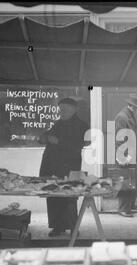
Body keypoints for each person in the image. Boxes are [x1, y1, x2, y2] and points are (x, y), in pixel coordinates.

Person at [39, 97, 89, 237]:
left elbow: (79, 145)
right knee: (54, 196)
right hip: (52, 166)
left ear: (74, 110)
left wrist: (59, 141)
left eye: (64, 110)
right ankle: (57, 227)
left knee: (70, 197)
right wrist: (43, 138)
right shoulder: (58, 124)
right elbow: (47, 136)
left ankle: (73, 227)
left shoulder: (83, 126)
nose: (61, 112)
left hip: (70, 166)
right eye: (60, 109)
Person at [114, 93, 137, 218]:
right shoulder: (122, 117)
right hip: (125, 154)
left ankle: (130, 205)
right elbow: (119, 137)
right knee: (125, 182)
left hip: (131, 153)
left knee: (131, 181)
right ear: (132, 106)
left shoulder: (130, 115)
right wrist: (122, 156)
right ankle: (123, 208)